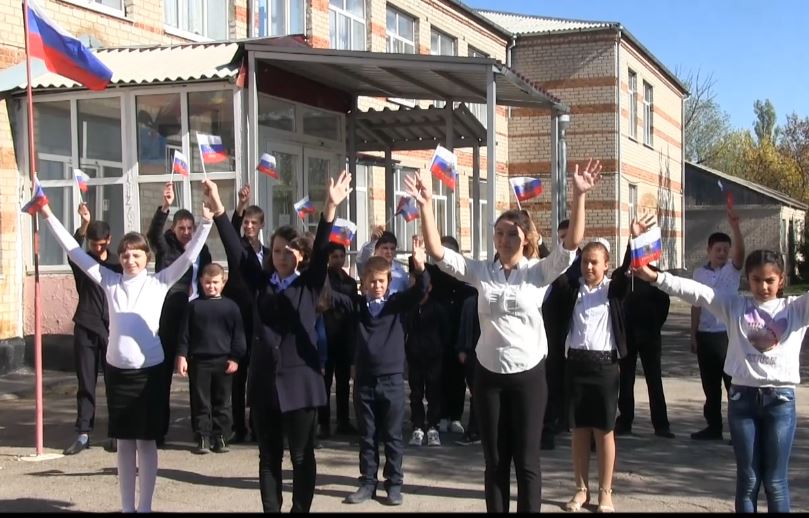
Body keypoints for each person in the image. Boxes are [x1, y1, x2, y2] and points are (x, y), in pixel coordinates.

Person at [405, 159, 601, 513]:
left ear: (525, 238)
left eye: (512, 234)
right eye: (499, 233)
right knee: (495, 462)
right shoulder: (482, 271)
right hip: (489, 377)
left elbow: (571, 246)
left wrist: (579, 195)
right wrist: (426, 205)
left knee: (526, 462)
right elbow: (437, 253)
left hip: (528, 377)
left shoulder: (537, 272)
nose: (504, 239)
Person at [33, 193, 212, 513]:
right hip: (118, 373)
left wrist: (207, 222)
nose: (130, 260)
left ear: (147, 257)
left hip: (150, 374)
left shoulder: (160, 282)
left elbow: (188, 258)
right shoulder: (109, 280)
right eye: (126, 255)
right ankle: (128, 507)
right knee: (125, 442)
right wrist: (46, 213)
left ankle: (145, 507)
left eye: (136, 255)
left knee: (146, 441)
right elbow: (74, 251)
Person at [633, 219, 803, 513]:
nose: (763, 286)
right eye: (756, 280)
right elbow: (696, 292)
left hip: (780, 402)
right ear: (747, 279)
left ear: (781, 280)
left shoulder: (796, 309)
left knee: (775, 482)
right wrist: (656, 277)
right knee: (748, 479)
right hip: (743, 400)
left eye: (769, 280)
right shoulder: (735, 306)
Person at [205, 173, 352, 513]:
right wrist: (219, 209)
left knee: (301, 456)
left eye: (288, 251)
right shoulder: (261, 284)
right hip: (264, 383)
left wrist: (330, 207)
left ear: (299, 255)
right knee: (268, 457)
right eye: (276, 251)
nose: (282, 256)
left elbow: (322, 251)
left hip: (300, 384)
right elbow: (236, 251)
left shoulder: (308, 284)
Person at [341, 237, 430, 506]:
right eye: (372, 281)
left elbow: (420, 289)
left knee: (392, 435)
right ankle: (368, 482)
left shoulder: (396, 305)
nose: (377, 285)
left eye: (381, 281)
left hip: (391, 380)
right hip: (364, 381)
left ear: (389, 282)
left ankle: (394, 484)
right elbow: (329, 295)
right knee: (367, 435)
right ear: (364, 282)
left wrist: (419, 266)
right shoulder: (358, 306)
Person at [554, 234, 635, 513]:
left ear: (606, 264)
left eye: (594, 262)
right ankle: (581, 489)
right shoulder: (572, 289)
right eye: (585, 262)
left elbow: (626, 272)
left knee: (604, 431)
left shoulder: (613, 290)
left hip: (604, 368)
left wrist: (632, 242)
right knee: (579, 430)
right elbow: (555, 269)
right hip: (576, 365)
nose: (588, 267)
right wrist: (540, 242)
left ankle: (605, 492)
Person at [147, 182, 212, 446]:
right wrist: (165, 206)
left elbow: (208, 277)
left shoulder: (201, 249)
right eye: (181, 228)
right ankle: (158, 430)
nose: (186, 233)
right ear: (174, 229)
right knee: (162, 378)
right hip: (169, 316)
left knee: (198, 379)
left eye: (189, 228)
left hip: (195, 317)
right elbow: (153, 234)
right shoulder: (166, 246)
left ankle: (201, 432)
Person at [63, 202, 121, 456]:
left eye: (101, 244)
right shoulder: (83, 261)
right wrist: (84, 224)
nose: (97, 248)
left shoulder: (118, 265)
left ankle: (116, 434)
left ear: (109, 240)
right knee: (86, 382)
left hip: (111, 329)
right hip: (86, 326)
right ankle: (84, 433)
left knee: (114, 382)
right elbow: (71, 248)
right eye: (93, 244)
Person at [176, 263, 247, 454]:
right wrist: (182, 356)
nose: (211, 286)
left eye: (215, 282)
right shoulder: (194, 306)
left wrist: (235, 358)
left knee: (222, 401)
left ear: (223, 282)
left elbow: (238, 336)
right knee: (201, 401)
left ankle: (221, 436)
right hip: (199, 361)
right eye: (207, 282)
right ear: (201, 282)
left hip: (223, 361)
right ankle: (202, 436)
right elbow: (184, 335)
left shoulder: (231, 307)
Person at [690, 211, 745, 441]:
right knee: (710, 385)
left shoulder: (732, 270)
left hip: (728, 335)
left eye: (725, 249)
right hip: (706, 335)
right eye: (718, 249)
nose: (722, 253)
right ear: (709, 251)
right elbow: (696, 305)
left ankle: (739, 430)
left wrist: (736, 228)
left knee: (733, 385)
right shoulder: (699, 273)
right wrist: (693, 334)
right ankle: (713, 427)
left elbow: (741, 254)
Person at [225, 183, 269, 444]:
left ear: (261, 225)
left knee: (258, 374)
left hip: (260, 319)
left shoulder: (268, 253)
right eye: (246, 222)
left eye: (254, 223)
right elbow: (230, 230)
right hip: (239, 317)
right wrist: (240, 204)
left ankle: (258, 424)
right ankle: (238, 426)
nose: (249, 226)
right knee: (238, 375)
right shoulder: (238, 247)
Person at [614, 260, 674, 438]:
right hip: (627, 335)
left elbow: (664, 303)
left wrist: (654, 324)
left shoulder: (654, 274)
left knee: (654, 379)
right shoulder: (621, 275)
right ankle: (625, 421)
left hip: (649, 335)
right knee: (626, 379)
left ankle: (661, 424)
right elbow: (615, 301)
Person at [540, 218, 581, 450]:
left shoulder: (582, 262)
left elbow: (564, 284)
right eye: (561, 238)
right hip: (552, 329)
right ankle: (556, 419)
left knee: (570, 379)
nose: (563, 241)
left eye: (567, 237)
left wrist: (541, 245)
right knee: (553, 377)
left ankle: (569, 419)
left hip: (572, 328)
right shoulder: (553, 260)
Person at [431, 236, 474, 437]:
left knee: (457, 379)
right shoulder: (432, 277)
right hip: (437, 338)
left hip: (458, 338)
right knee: (438, 379)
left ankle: (455, 416)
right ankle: (441, 416)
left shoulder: (463, 279)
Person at [405, 264, 450, 447]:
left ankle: (433, 426)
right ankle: (417, 425)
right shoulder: (409, 308)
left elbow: (445, 332)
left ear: (429, 287)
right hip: (414, 356)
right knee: (416, 393)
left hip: (433, 356)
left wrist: (439, 349)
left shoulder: (437, 308)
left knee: (434, 392)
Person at [317, 242, 359, 438]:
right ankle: (323, 423)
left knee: (343, 382)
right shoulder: (323, 278)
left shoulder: (349, 282)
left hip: (344, 335)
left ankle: (343, 421)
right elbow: (326, 298)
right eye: (335, 256)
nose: (339, 260)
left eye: (342, 256)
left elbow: (352, 306)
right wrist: (344, 301)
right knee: (325, 382)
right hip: (327, 333)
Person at [357, 226, 409, 294]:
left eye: (392, 249)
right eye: (385, 248)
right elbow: (362, 259)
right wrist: (373, 241)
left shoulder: (400, 271)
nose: (389, 252)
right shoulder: (368, 266)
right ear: (376, 249)